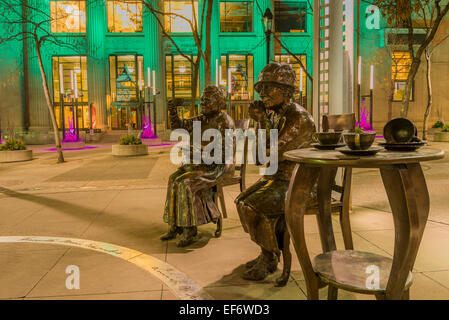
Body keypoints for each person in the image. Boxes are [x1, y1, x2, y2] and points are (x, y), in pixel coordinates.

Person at [235, 62, 316, 281]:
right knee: (241, 201)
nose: (263, 94)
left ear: (287, 90)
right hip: (279, 180)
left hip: (299, 185)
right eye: (261, 89)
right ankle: (266, 251)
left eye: (270, 87)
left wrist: (262, 123)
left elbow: (269, 154)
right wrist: (261, 120)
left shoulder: (298, 118)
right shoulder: (274, 116)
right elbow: (262, 157)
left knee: (252, 206)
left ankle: (269, 258)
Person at [161, 86, 235, 247]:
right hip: (200, 163)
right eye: (202, 99)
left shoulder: (225, 122)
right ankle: (175, 225)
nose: (202, 102)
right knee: (173, 179)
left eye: (207, 100)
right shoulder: (202, 119)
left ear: (218, 102)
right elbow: (178, 126)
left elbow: (225, 154)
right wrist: (172, 108)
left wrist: (200, 150)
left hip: (217, 166)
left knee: (185, 183)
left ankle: (190, 228)